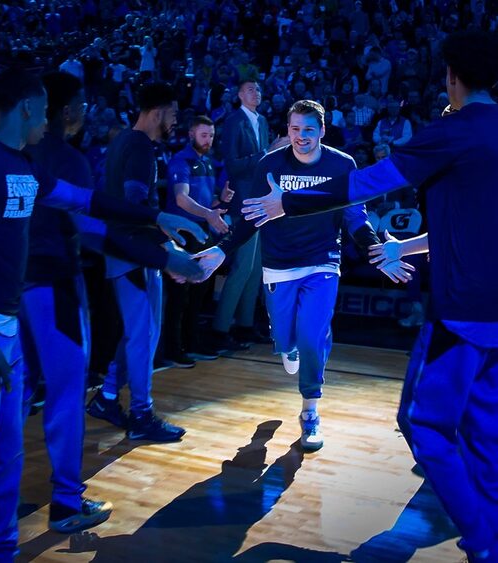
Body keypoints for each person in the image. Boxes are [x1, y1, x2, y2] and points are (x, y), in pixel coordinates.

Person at [0, 68, 206, 563]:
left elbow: (86, 201)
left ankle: (0, 553)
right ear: (28, 108)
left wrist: (157, 219)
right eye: (46, 110)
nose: (51, 119)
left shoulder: (23, 165)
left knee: (6, 455)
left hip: (3, 325)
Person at [241, 30, 498, 562]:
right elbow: (471, 221)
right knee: (482, 428)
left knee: (423, 425)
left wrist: (284, 206)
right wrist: (405, 244)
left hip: (463, 316)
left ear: (453, 76)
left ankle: (484, 540)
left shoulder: (456, 130)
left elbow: (366, 184)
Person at [217, 100, 412, 451]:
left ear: (322, 130)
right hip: (278, 264)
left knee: (311, 335)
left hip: (323, 262)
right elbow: (251, 217)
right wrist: (220, 250)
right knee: (287, 341)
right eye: (295, 129)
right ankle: (289, 347)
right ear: (287, 130)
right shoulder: (269, 164)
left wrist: (375, 252)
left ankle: (309, 411)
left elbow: (355, 216)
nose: (301, 136)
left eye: (309, 129)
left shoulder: (343, 164)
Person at [85, 82, 194, 443]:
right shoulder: (140, 148)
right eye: (174, 114)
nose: (175, 121)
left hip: (126, 250)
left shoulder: (123, 142)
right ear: (158, 111)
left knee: (137, 333)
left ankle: (107, 396)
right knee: (144, 336)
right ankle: (141, 415)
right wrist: (166, 254)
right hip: (133, 253)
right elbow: (134, 207)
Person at [212, 80, 286, 351]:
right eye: (251, 89)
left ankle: (244, 326)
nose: (257, 93)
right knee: (243, 265)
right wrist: (268, 152)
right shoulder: (233, 121)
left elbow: (264, 162)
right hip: (243, 200)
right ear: (240, 94)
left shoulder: (263, 121)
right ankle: (219, 329)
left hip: (260, 199)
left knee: (255, 268)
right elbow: (233, 164)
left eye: (259, 89)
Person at [161, 115, 233, 367]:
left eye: (211, 135)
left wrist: (220, 199)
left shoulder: (208, 163)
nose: (208, 139)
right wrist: (209, 213)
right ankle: (172, 348)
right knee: (180, 294)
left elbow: (207, 202)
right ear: (191, 134)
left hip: (202, 232)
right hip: (183, 234)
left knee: (198, 292)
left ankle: (191, 344)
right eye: (204, 135)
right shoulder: (181, 161)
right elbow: (181, 199)